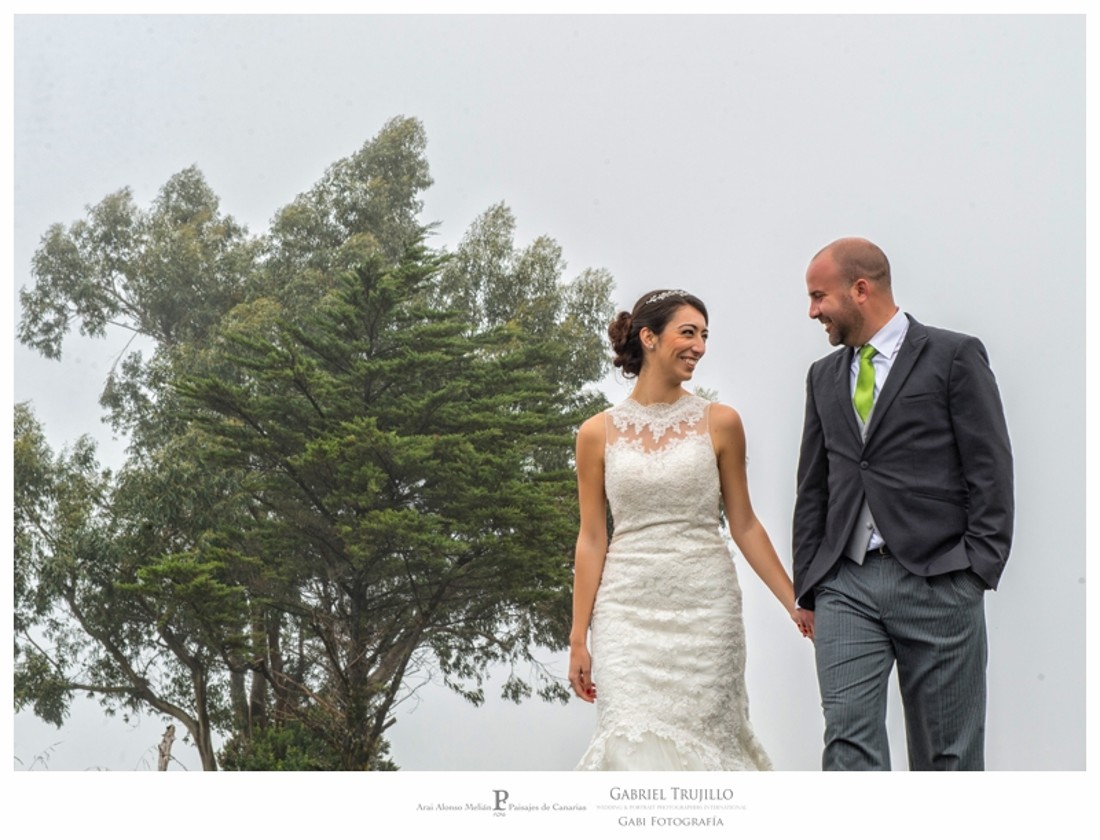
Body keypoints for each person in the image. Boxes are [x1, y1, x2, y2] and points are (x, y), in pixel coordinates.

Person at [793, 237, 1014, 771]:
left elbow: (990, 467)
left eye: (820, 296)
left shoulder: (953, 355)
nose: (813, 311)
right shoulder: (823, 375)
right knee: (847, 746)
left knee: (947, 757)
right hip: (846, 584)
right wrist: (809, 581)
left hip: (939, 580)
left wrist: (976, 567)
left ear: (860, 289)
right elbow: (813, 485)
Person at [569, 289, 810, 771]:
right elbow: (592, 538)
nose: (699, 346)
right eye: (688, 332)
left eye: (704, 336)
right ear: (649, 338)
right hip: (625, 612)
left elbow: (743, 524)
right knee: (629, 741)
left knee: (708, 751)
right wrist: (579, 639)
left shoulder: (720, 423)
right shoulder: (595, 433)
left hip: (706, 609)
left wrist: (795, 602)